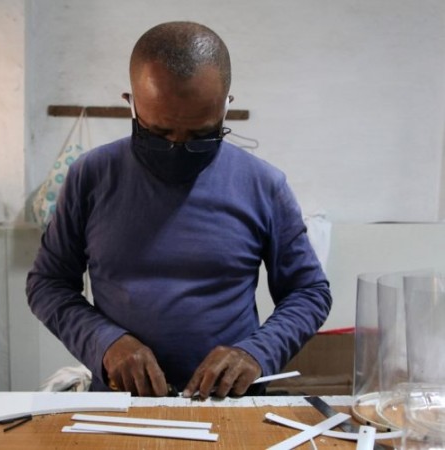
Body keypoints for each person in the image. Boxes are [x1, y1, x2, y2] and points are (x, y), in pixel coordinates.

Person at [26, 21, 332, 399]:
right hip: (121, 403)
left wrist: (257, 352)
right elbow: (48, 283)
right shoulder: (90, 176)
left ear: (225, 108)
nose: (178, 148)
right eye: (159, 133)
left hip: (227, 403)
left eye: (202, 135)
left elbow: (309, 291)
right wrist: (106, 344)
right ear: (132, 104)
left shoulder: (262, 185)